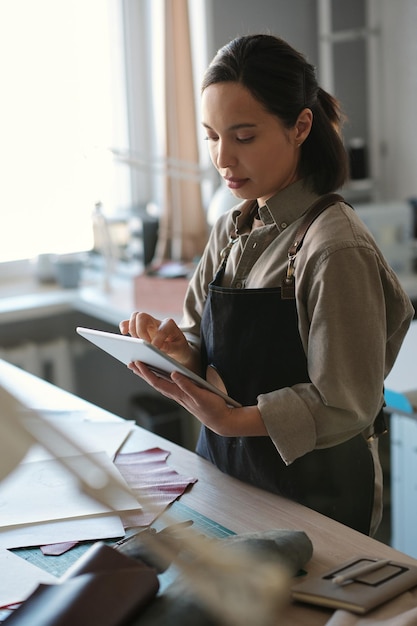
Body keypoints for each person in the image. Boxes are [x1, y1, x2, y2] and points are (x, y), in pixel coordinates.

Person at [120, 34, 414, 536]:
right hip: (228, 478)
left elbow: (347, 402)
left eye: (244, 137)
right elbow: (201, 342)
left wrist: (231, 422)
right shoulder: (231, 229)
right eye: (211, 136)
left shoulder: (334, 247)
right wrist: (177, 351)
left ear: (300, 126)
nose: (222, 159)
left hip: (316, 500)